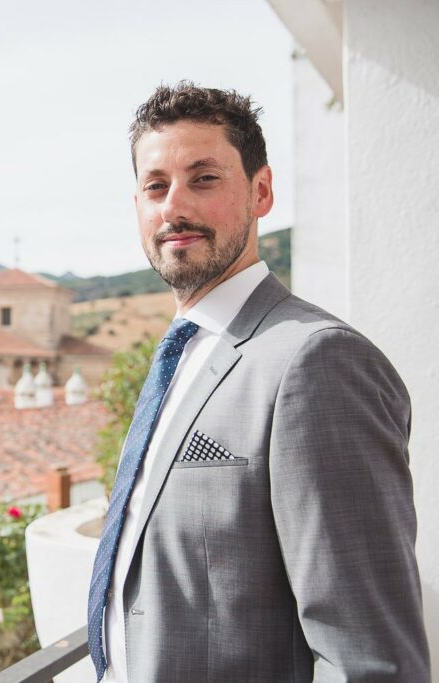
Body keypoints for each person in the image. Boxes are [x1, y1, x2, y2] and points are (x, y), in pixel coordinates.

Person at [85, 82, 429, 682]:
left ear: (261, 192)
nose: (174, 207)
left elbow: (370, 658)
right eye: (156, 186)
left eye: (205, 178)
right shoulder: (183, 355)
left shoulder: (316, 361)